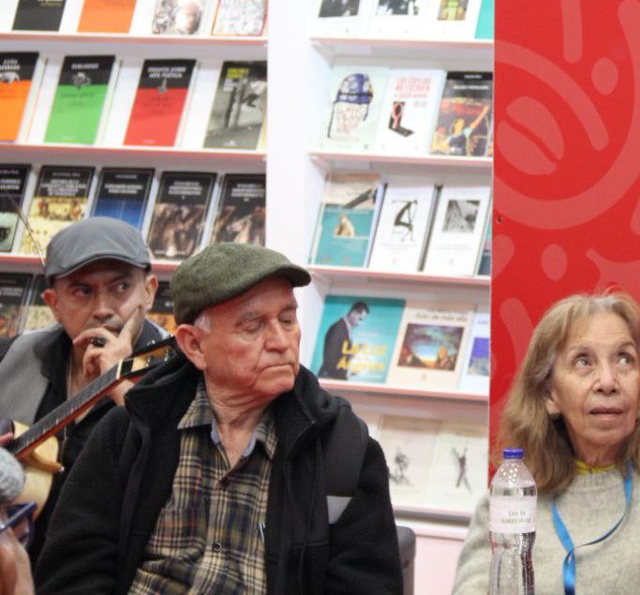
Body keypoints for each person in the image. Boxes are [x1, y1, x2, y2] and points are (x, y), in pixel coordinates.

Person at [34, 243, 402, 594]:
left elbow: (366, 585)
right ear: (194, 345)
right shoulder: (130, 433)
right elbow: (73, 570)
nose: (280, 340)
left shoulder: (344, 450)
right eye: (253, 325)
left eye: (287, 319)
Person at [452, 292, 640, 594]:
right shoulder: (511, 499)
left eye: (624, 359)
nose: (608, 382)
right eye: (583, 362)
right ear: (549, 395)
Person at [0, 217, 166, 563]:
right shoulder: (17, 355)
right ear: (53, 302)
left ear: (149, 290)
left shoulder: (177, 369)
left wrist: (121, 385)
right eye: (83, 291)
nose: (103, 308)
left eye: (121, 288)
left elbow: (173, 480)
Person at [316, 300, 370, 380]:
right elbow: (330, 360)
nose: (359, 323)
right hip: (329, 379)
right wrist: (349, 371)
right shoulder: (338, 329)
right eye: (360, 319)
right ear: (353, 313)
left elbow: (340, 355)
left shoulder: (344, 328)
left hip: (334, 379)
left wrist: (354, 351)